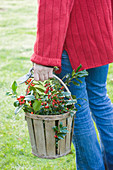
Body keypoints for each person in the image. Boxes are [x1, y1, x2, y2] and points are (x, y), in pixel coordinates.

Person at [30, 0, 113, 169]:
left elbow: (53, 5)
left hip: (73, 39)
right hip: (99, 32)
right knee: (100, 100)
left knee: (78, 111)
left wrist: (44, 57)